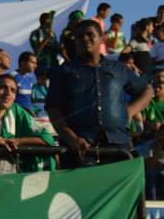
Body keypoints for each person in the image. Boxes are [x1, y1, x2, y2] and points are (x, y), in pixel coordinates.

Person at [47, 19, 151, 163]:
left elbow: (147, 89)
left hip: (118, 145)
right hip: (80, 149)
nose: (85, 38)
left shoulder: (119, 68)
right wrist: (71, 138)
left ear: (101, 38)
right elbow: (53, 109)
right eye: (80, 36)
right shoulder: (63, 71)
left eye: (90, 34)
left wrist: (129, 111)